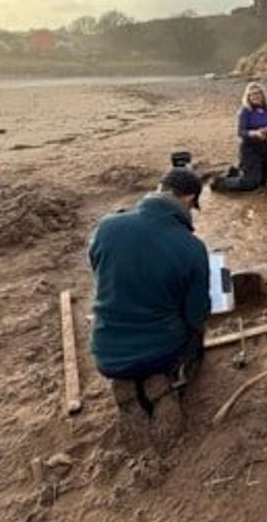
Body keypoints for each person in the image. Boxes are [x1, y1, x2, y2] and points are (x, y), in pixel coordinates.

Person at [89, 168, 211, 444]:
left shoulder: (106, 227)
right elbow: (197, 314)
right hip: (163, 351)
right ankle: (165, 382)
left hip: (106, 352)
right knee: (195, 333)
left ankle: (126, 384)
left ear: (158, 188)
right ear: (189, 200)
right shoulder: (192, 247)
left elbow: (98, 273)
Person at [211, 82, 267, 192]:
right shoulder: (245, 111)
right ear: (248, 97)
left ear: (262, 95)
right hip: (249, 148)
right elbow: (241, 132)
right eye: (252, 94)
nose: (255, 96)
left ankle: (235, 172)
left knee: (263, 182)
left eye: (258, 93)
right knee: (249, 184)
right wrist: (255, 133)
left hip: (264, 146)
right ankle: (219, 182)